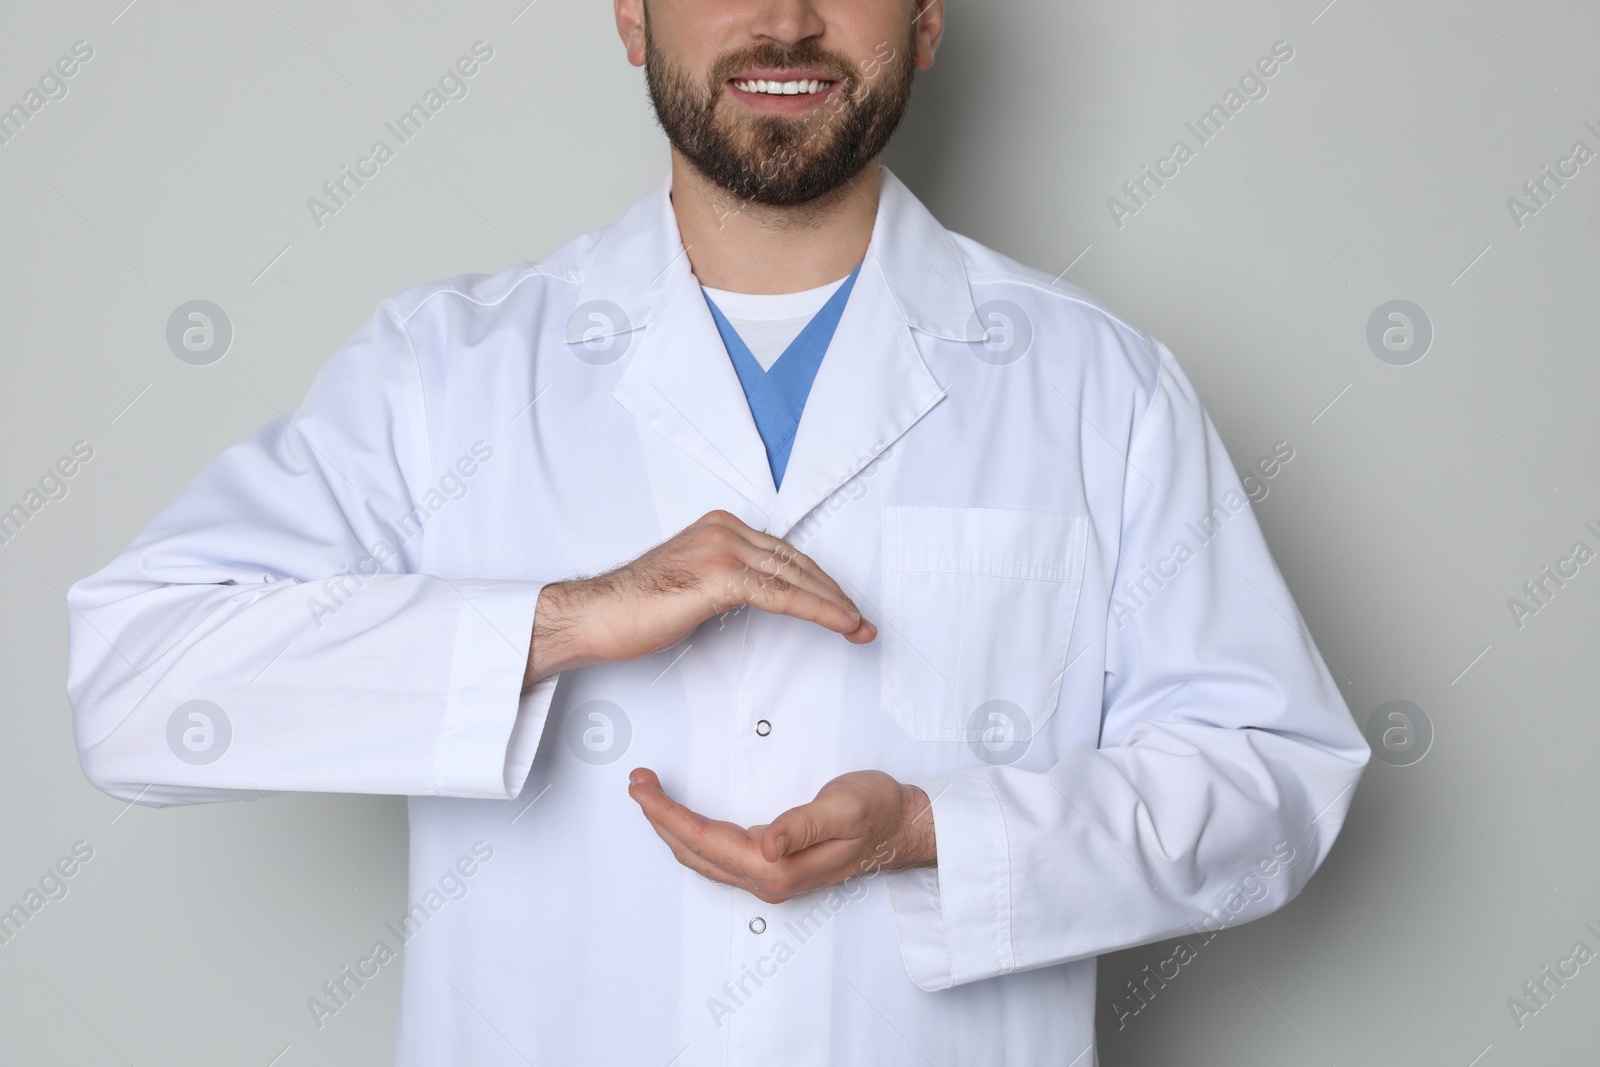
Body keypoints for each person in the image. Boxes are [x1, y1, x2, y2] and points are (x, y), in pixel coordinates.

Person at [65, 0, 1370, 1062]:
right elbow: (135, 684)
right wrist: (559, 619)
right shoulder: (442, 373)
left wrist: (932, 833)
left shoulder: (1097, 385)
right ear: (631, 17)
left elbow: (1275, 780)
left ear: (926, 21)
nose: (786, 21)